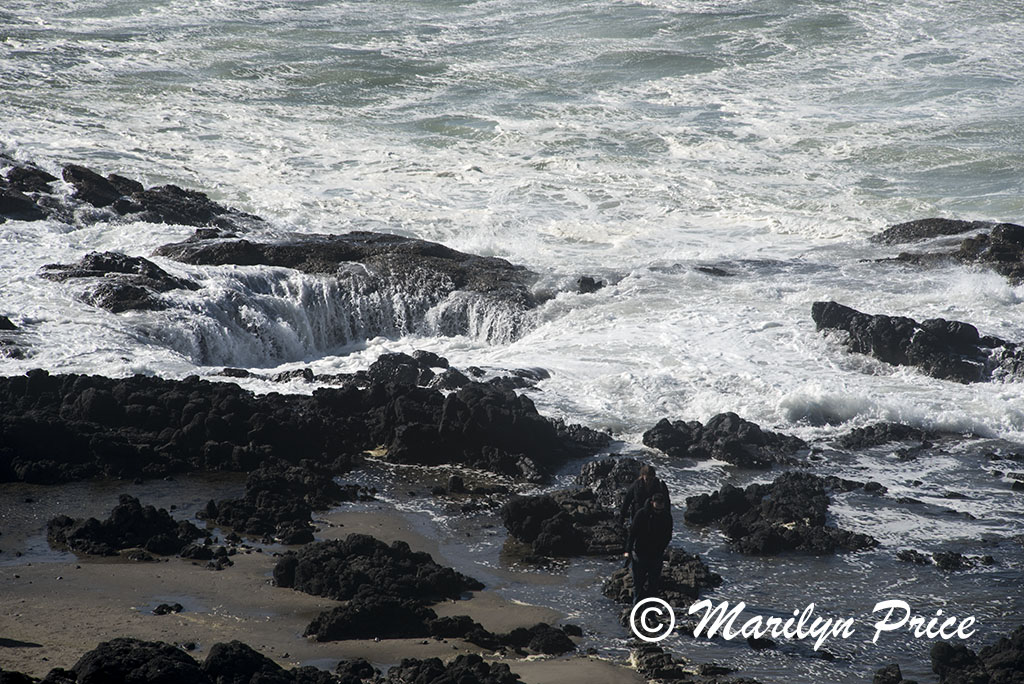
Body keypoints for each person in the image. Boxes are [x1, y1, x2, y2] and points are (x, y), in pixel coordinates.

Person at [623, 491, 673, 603]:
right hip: (640, 553)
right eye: (656, 509)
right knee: (638, 586)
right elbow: (632, 533)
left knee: (653, 587)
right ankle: (636, 611)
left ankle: (650, 614)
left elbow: (668, 536)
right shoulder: (641, 514)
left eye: (660, 509)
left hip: (656, 555)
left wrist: (661, 549)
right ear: (652, 503)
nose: (658, 512)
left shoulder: (666, 517)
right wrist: (628, 551)